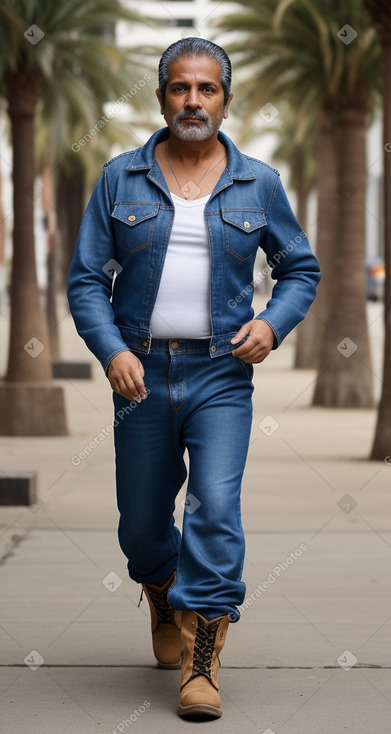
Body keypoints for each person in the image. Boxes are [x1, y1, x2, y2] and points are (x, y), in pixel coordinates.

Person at [67, 37, 321, 720]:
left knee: (214, 506)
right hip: (139, 376)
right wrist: (111, 349)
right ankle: (158, 584)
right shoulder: (120, 178)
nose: (192, 101)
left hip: (220, 374)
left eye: (206, 90)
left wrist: (272, 325)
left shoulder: (258, 183)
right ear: (161, 97)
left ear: (226, 102)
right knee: (143, 521)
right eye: (180, 88)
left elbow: (300, 268)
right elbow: (87, 280)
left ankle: (201, 659)